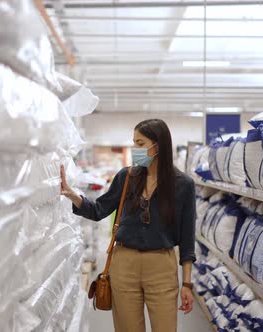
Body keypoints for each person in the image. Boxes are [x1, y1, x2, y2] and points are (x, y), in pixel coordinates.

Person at [60, 119, 197, 332]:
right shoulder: (126, 177)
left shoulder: (183, 185)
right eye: (134, 143)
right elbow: (98, 210)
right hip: (124, 264)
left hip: (161, 265)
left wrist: (187, 284)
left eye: (140, 144)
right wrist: (73, 196)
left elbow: (188, 240)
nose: (135, 149)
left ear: (157, 146)